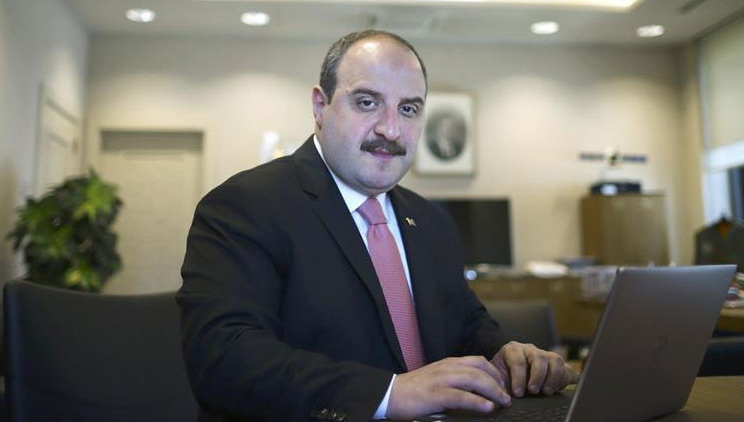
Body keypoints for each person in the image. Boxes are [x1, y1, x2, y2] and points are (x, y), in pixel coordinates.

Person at [177, 30, 575, 422]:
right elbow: (223, 358)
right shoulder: (245, 205)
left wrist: (508, 355)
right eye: (367, 103)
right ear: (320, 106)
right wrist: (389, 394)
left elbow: (464, 324)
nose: (391, 129)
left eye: (409, 109)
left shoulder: (431, 221)